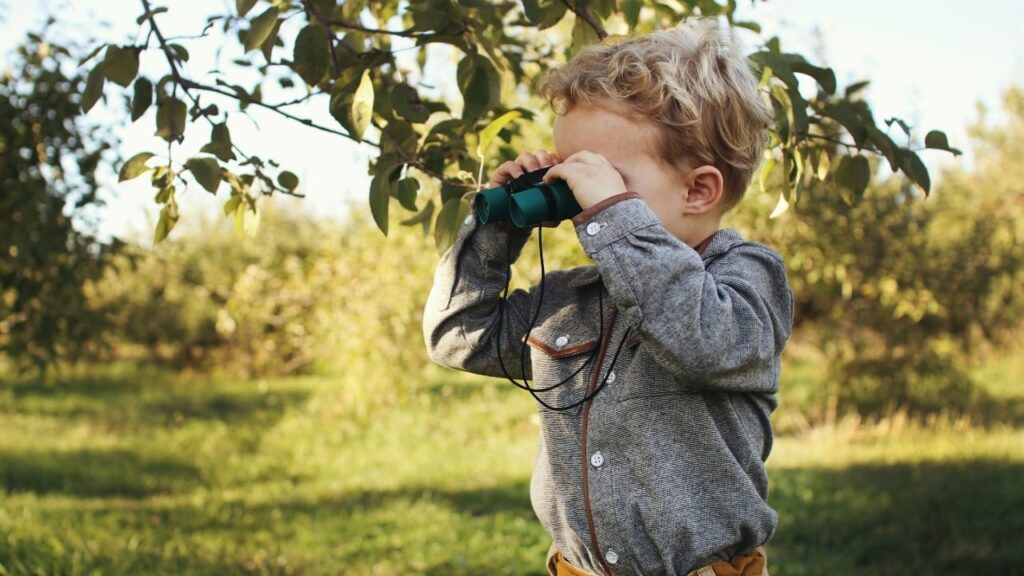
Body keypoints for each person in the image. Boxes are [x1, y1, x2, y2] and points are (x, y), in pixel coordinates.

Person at [422, 18, 793, 576]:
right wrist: (496, 228)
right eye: (568, 169)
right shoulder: (569, 300)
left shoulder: (748, 277)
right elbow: (457, 336)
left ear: (698, 189)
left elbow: (702, 340)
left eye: (602, 176)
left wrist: (613, 216)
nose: (574, 193)